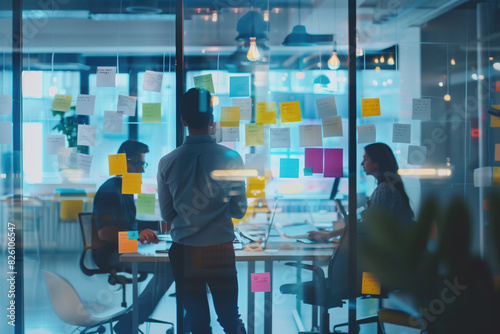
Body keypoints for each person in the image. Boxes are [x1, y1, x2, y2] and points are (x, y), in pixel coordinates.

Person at [157, 88, 247, 334]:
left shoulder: (167, 162)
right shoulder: (232, 157)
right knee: (230, 317)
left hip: (184, 251)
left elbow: (167, 214)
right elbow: (239, 210)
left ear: (183, 121)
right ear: (212, 120)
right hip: (220, 250)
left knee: (196, 320)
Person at [92, 140, 175, 334]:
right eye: (138, 164)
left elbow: (130, 224)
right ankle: (130, 322)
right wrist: (138, 235)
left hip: (124, 247)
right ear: (123, 162)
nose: (142, 170)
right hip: (111, 253)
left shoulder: (123, 188)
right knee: (172, 266)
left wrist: (162, 227)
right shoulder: (110, 191)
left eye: (143, 164)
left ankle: (132, 319)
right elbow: (105, 233)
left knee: (173, 262)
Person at [309, 142, 414, 242]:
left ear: (376, 163)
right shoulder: (387, 187)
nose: (362, 163)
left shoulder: (385, 190)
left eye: (365, 159)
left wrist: (330, 234)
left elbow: (369, 226)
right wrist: (330, 233)